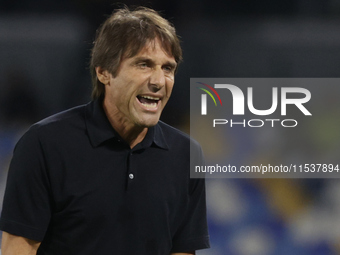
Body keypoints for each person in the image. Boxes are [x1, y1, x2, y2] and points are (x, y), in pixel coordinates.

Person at [0, 6, 210, 255]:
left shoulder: (185, 154)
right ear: (103, 72)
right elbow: (18, 249)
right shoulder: (44, 145)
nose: (158, 81)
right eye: (144, 64)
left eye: (168, 68)